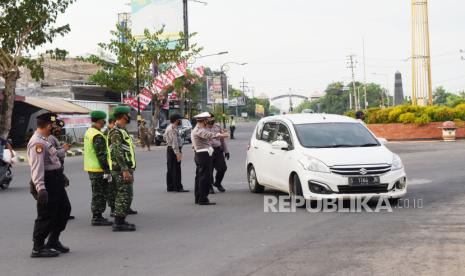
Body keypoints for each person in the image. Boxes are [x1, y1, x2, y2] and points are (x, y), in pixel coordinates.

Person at [28, 113, 71, 258]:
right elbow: (37, 167)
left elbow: (52, 161)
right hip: (47, 181)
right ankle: (38, 247)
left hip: (55, 179)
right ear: (47, 126)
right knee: (46, 214)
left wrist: (61, 175)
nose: (53, 128)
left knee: (64, 210)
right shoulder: (37, 143)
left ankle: (53, 241)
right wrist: (41, 188)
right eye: (52, 126)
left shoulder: (45, 140)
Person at [108, 106, 137, 231]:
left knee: (127, 194)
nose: (130, 116)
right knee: (123, 195)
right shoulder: (116, 132)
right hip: (120, 169)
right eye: (128, 114)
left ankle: (121, 220)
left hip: (124, 168)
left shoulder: (122, 130)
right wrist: (124, 169)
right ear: (123, 116)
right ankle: (118, 223)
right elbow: (118, 152)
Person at [191, 112, 229, 205]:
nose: (207, 122)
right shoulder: (198, 130)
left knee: (200, 177)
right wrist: (221, 135)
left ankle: (198, 197)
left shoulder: (198, 129)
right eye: (206, 120)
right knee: (204, 178)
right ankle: (203, 199)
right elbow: (208, 134)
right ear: (204, 121)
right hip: (203, 155)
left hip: (202, 155)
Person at [84, 111, 113, 227]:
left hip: (92, 168)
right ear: (99, 120)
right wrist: (107, 170)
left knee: (97, 193)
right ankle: (97, 217)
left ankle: (97, 216)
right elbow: (101, 154)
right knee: (99, 194)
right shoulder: (97, 135)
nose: (104, 122)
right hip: (98, 170)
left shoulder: (89, 132)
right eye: (103, 120)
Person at [48, 119, 73, 219]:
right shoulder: (50, 138)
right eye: (57, 127)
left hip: (58, 169)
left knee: (60, 191)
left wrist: (62, 147)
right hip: (54, 170)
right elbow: (54, 154)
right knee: (56, 192)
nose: (59, 129)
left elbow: (56, 150)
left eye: (60, 128)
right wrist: (64, 149)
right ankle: (57, 214)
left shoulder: (54, 138)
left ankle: (62, 213)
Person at [164, 114, 189, 193]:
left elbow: (164, 137)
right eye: (180, 120)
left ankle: (170, 186)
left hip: (170, 149)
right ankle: (177, 187)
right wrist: (177, 153)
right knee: (176, 169)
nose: (180, 121)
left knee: (171, 168)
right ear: (176, 120)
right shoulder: (172, 129)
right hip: (173, 150)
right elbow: (174, 142)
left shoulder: (169, 127)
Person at [207, 115, 229, 193]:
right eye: (209, 119)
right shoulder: (203, 128)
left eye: (212, 118)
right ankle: (209, 186)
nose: (211, 120)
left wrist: (226, 151)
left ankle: (217, 183)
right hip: (208, 151)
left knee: (223, 168)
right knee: (209, 170)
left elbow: (222, 140)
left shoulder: (217, 126)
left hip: (218, 150)